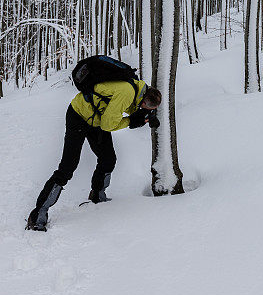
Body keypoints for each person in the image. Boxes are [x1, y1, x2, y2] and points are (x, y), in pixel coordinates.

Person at [26, 75, 162, 231]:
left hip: (96, 119)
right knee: (68, 167)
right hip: (78, 115)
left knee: (108, 159)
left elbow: (127, 108)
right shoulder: (127, 92)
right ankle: (38, 213)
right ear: (144, 102)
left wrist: (144, 115)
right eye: (147, 108)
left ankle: (97, 195)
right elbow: (108, 125)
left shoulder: (139, 90)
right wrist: (131, 121)